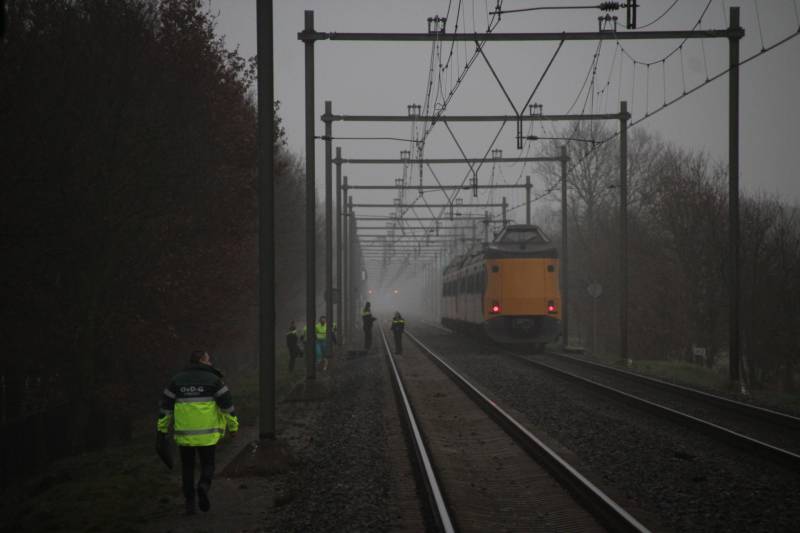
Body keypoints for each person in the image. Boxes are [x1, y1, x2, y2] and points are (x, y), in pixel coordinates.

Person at [157, 351, 239, 515]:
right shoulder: (214, 380)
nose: (210, 362)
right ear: (202, 360)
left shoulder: (177, 380)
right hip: (208, 434)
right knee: (208, 464)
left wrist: (162, 430)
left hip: (184, 434)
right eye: (209, 359)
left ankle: (189, 503)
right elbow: (227, 406)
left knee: (187, 468)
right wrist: (233, 427)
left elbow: (166, 408)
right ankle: (203, 485)